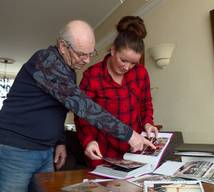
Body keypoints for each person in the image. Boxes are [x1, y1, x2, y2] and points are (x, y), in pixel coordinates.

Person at [0, 20, 155, 192]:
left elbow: (56, 110)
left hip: (45, 150)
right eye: (81, 54)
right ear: (62, 46)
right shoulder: (46, 60)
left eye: (90, 53)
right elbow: (83, 105)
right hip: (16, 150)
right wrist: (129, 135)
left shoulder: (69, 72)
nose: (87, 60)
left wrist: (60, 142)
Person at [74, 16, 158, 168]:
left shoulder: (141, 73)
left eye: (133, 63)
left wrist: (147, 122)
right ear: (113, 50)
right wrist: (88, 140)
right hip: (102, 150)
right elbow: (82, 114)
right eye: (123, 60)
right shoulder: (92, 75)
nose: (127, 67)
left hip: (135, 150)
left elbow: (146, 102)